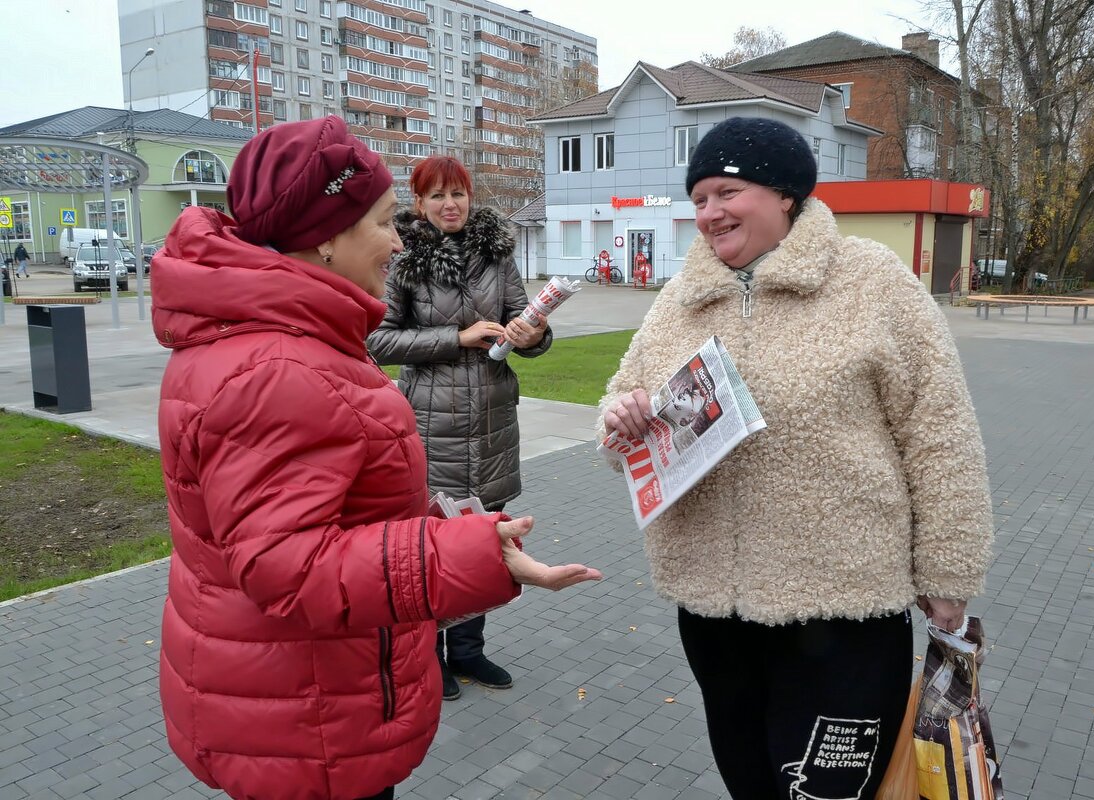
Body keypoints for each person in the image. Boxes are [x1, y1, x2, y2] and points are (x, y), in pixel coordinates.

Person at [152, 116, 600, 800]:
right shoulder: (276, 367)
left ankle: (465, 653)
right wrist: (471, 555)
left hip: (307, 695)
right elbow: (289, 567)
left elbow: (322, 507)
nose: (396, 240)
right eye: (387, 220)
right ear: (326, 236)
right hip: (306, 714)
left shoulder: (280, 338)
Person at [599, 117, 994, 800]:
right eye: (697, 199)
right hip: (713, 610)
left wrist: (949, 572)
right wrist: (621, 420)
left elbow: (941, 433)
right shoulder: (678, 299)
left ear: (785, 193)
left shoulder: (872, 281)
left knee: (825, 793)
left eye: (727, 192)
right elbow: (621, 416)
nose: (709, 214)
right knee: (750, 780)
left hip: (842, 610)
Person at [367, 156, 550, 702]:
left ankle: (469, 651)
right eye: (438, 196)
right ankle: (430, 656)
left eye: (459, 194)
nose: (451, 204)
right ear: (419, 204)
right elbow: (377, 341)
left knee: (485, 542)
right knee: (431, 544)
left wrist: (532, 332)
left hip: (493, 422)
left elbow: (530, 328)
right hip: (430, 424)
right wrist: (456, 337)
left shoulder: (497, 254)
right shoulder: (402, 260)